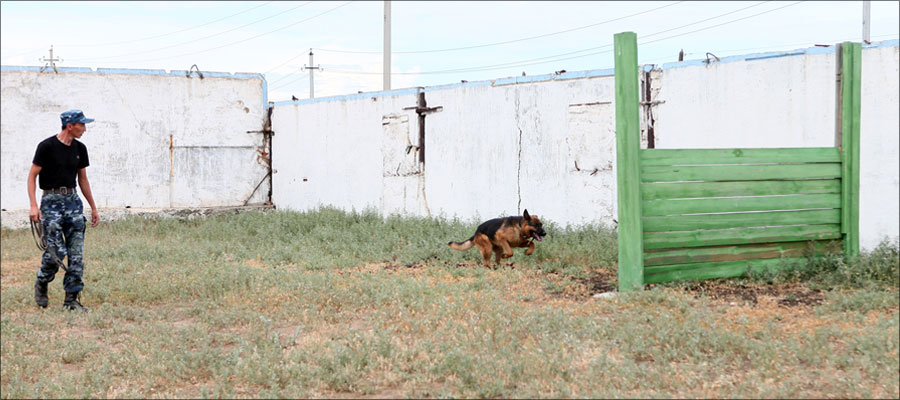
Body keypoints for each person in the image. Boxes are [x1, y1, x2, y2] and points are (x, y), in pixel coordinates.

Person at [27, 109, 100, 311]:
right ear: (70, 126)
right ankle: (42, 280)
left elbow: (83, 179)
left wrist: (93, 207)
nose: (84, 129)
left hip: (73, 201)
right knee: (55, 251)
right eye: (81, 125)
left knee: (76, 254)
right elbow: (32, 176)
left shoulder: (80, 148)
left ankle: (71, 300)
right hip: (50, 202)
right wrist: (33, 205)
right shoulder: (46, 147)